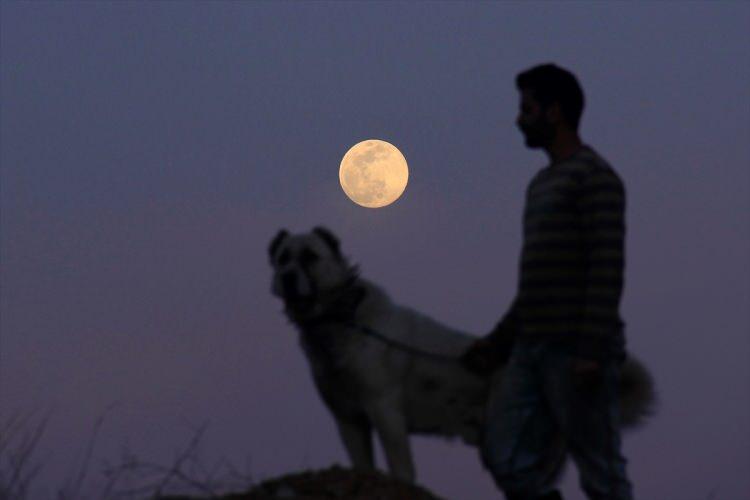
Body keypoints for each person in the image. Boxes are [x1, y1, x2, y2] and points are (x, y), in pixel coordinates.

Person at [461, 64, 633, 500]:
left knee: (601, 471)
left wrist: (590, 350)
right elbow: (536, 282)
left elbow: (606, 267)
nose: (519, 119)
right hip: (530, 349)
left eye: (527, 108)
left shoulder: (595, 177)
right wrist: (498, 344)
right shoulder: (540, 185)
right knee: (502, 451)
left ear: (553, 112)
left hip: (575, 350)